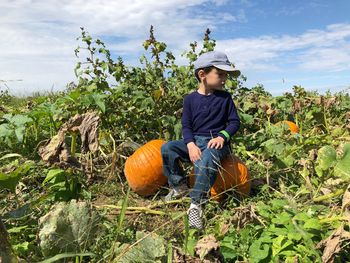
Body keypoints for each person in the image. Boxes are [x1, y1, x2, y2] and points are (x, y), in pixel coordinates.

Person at [160, 51, 241, 230]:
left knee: (208, 157)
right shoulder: (190, 99)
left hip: (216, 143)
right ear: (202, 75)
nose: (224, 79)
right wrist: (190, 144)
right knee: (168, 148)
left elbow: (234, 122)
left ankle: (196, 204)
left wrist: (223, 136)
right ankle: (179, 186)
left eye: (225, 75)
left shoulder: (225, 98)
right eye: (220, 74)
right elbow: (186, 125)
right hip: (195, 141)